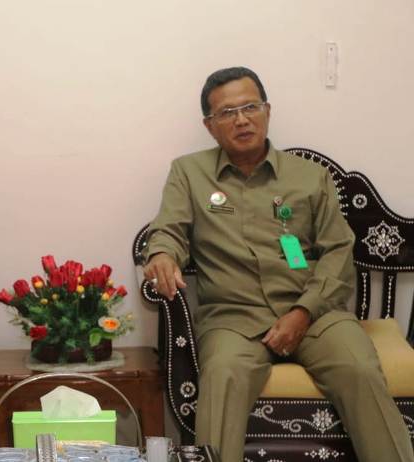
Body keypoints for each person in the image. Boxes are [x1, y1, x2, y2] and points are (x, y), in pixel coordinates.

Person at [142, 66, 413, 462]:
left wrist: (304, 311)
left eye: (250, 107)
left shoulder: (310, 177)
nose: (242, 119)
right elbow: (169, 228)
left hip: (316, 315)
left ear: (267, 111)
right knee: (222, 376)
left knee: (359, 368)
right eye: (227, 112)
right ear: (210, 126)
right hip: (233, 318)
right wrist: (162, 254)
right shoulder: (189, 173)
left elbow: (339, 251)